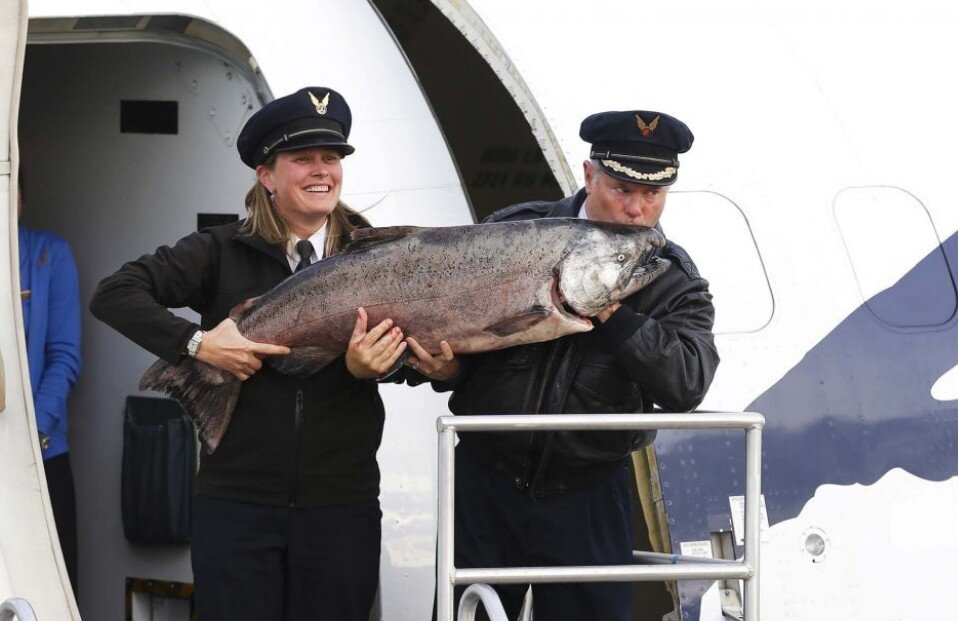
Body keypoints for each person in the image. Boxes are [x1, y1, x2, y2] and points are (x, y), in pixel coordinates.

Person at [90, 87, 430, 620]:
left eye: (332, 158)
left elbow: (419, 355)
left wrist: (373, 369)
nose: (322, 171)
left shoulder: (379, 253)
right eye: (302, 159)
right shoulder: (218, 251)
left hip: (341, 507)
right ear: (266, 175)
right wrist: (199, 344)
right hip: (235, 507)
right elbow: (114, 294)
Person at [423, 110, 720, 620]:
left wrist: (611, 309)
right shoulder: (514, 232)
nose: (635, 209)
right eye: (622, 188)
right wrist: (443, 369)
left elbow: (688, 381)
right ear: (589, 175)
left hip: (588, 492)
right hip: (484, 482)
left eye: (652, 194)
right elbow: (452, 332)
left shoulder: (671, 277)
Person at [17, 173, 83, 598]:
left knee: (48, 590)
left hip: (41, 453)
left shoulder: (46, 254)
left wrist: (29, 435)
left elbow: (63, 357)